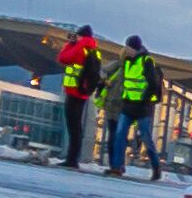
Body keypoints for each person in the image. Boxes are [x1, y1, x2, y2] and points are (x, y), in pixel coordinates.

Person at [105, 36, 162, 181]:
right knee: (119, 134)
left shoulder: (146, 61)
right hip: (128, 105)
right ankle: (117, 167)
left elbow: (153, 84)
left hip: (142, 108)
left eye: (127, 47)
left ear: (133, 48)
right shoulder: (127, 62)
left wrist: (144, 99)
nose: (125, 49)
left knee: (146, 138)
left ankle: (156, 168)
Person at [54, 26, 101, 171]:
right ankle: (73, 157)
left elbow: (63, 58)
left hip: (74, 90)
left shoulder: (81, 46)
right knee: (77, 126)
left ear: (81, 36)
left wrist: (71, 43)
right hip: (84, 91)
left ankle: (72, 159)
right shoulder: (94, 50)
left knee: (73, 126)